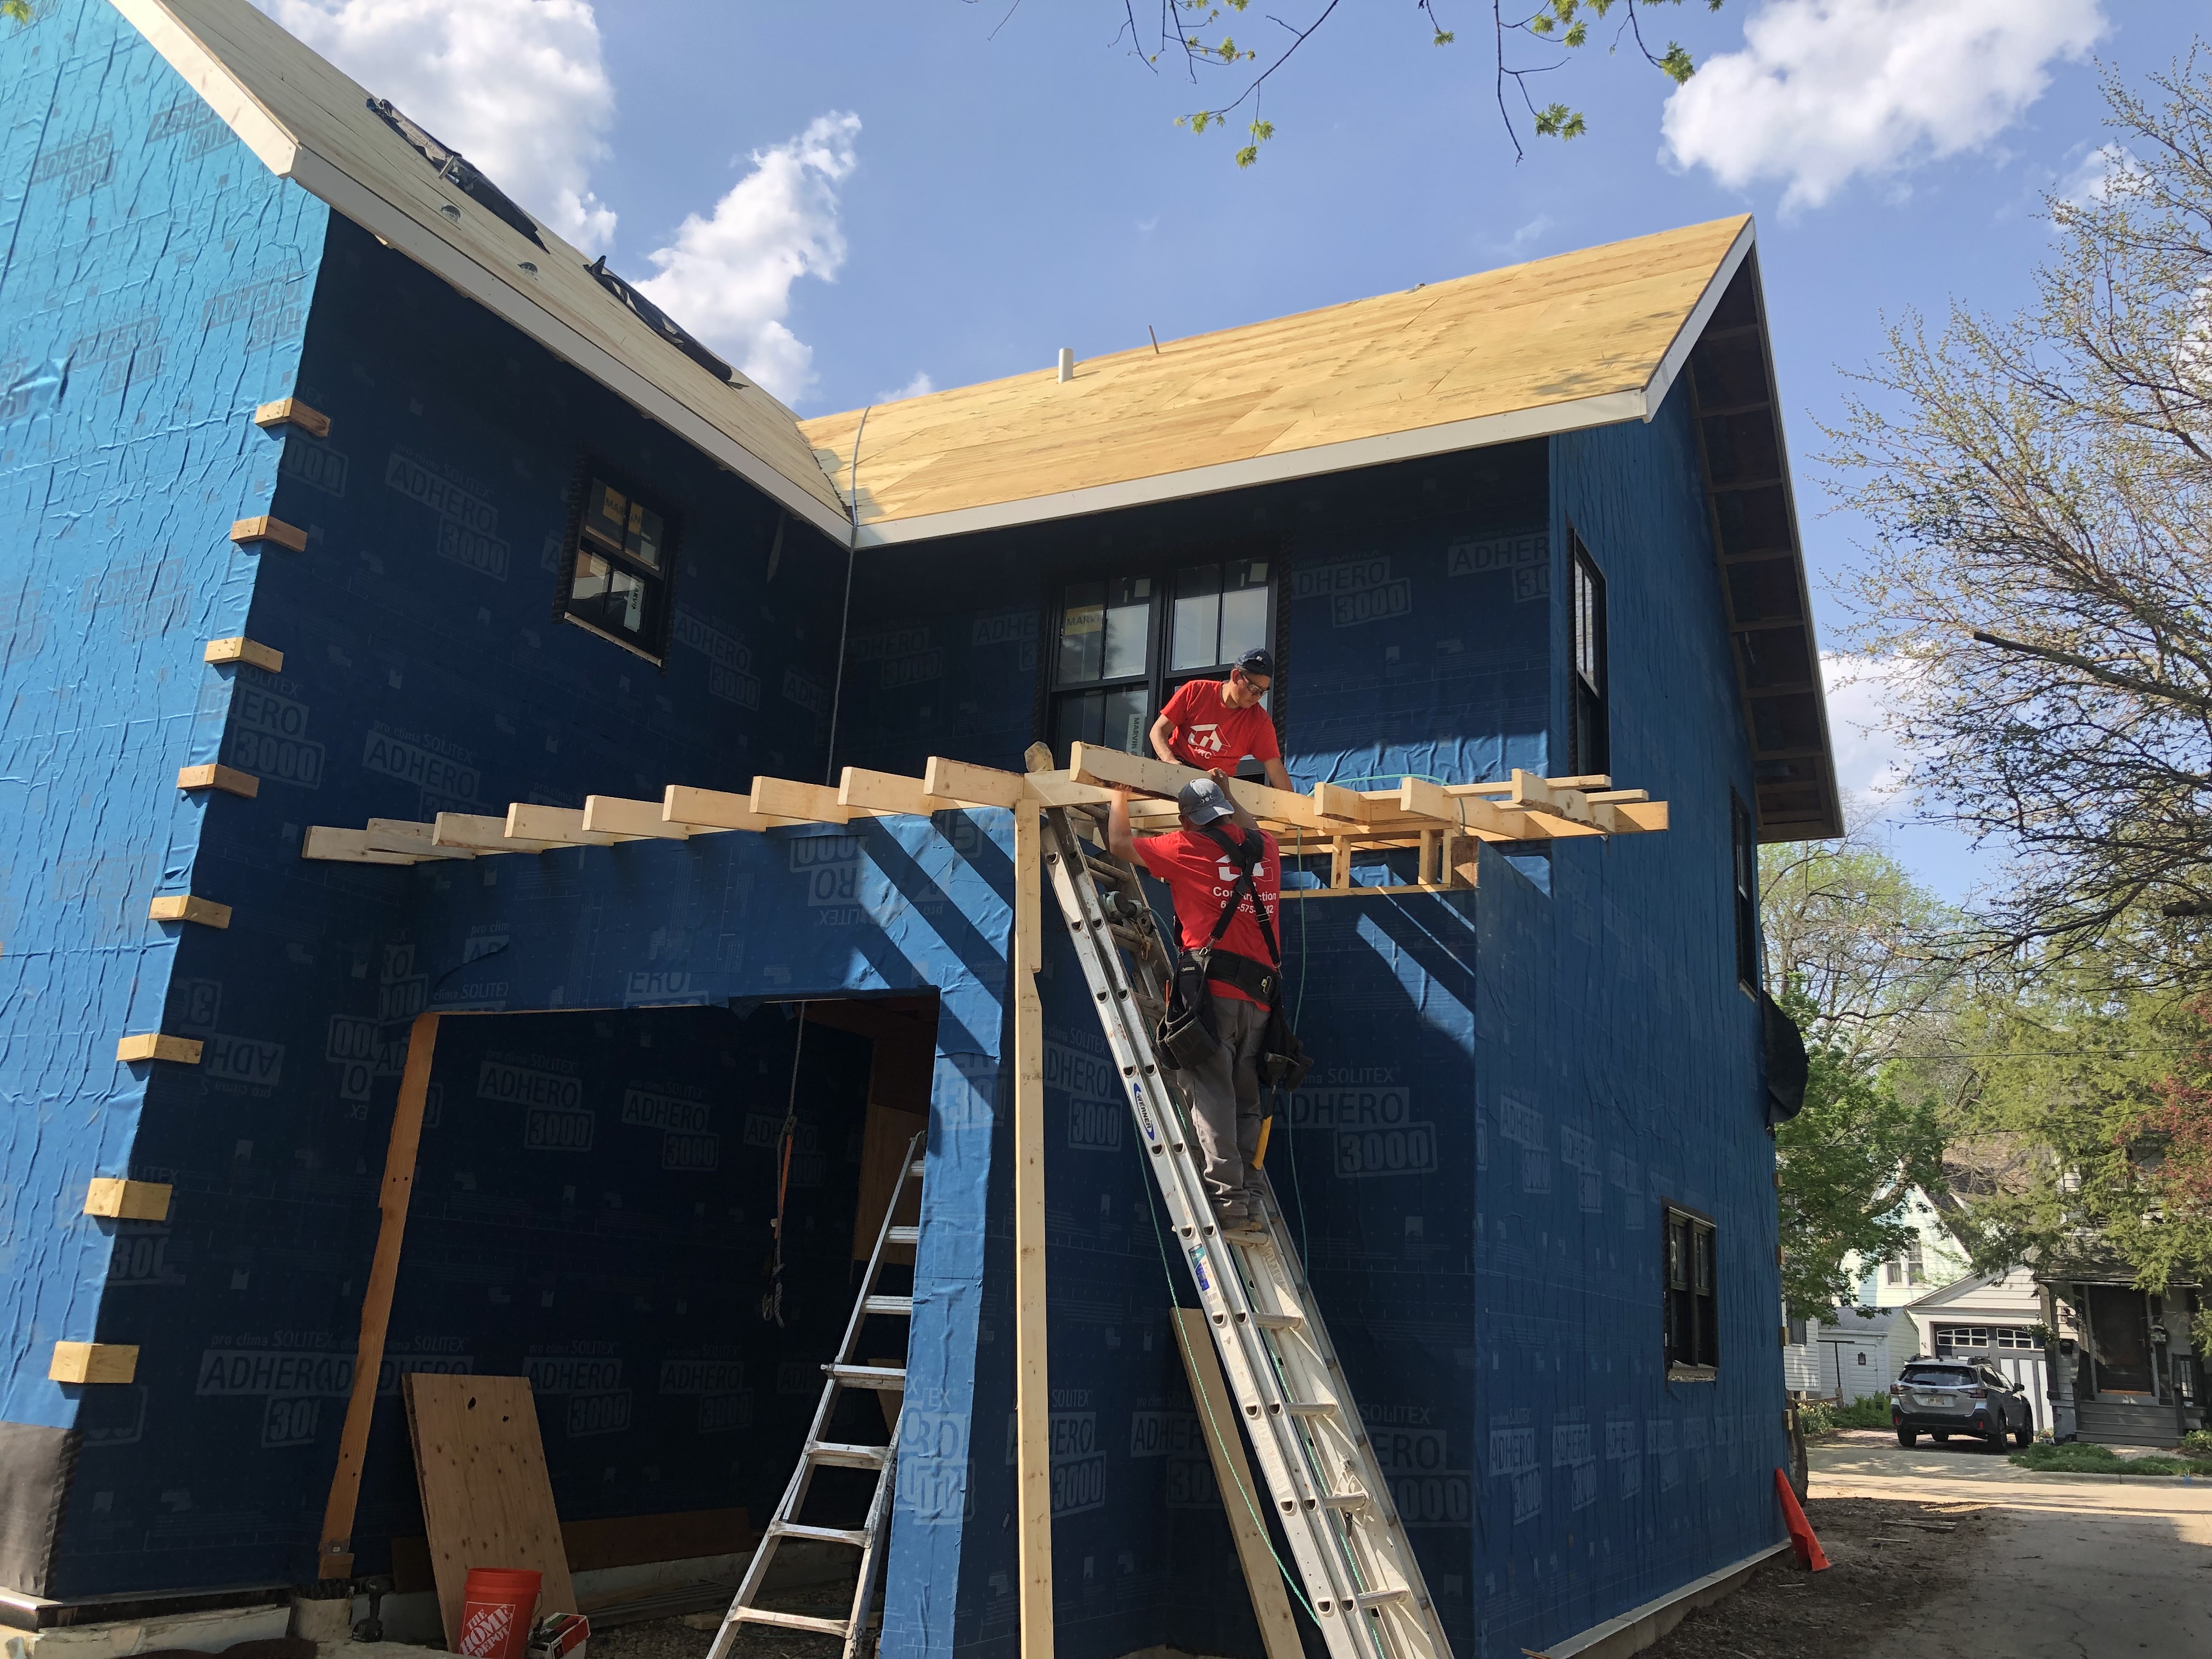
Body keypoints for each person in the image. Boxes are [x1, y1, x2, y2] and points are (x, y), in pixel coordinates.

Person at [1106, 772, 1282, 1232]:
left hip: (1212, 993)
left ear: (1187, 820)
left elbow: (1120, 843)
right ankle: (1248, 1194)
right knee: (1246, 1096)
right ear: (1225, 811)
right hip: (1261, 998)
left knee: (1211, 1092)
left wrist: (1117, 794)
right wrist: (1232, 793)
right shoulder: (1267, 850)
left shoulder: (1186, 847)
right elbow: (1252, 825)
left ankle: (1227, 1200)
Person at [1149, 647, 1293, 793]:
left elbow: (1275, 769)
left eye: (1263, 692)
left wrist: (1296, 808)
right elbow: (1158, 731)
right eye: (1254, 688)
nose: (1257, 697)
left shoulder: (1260, 721)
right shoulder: (1196, 690)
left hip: (1216, 787)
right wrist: (1171, 762)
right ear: (1236, 676)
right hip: (1176, 773)